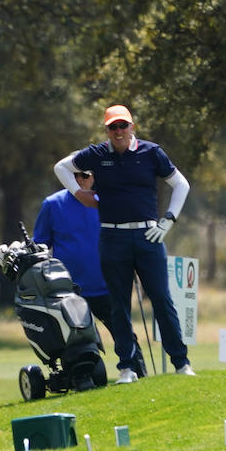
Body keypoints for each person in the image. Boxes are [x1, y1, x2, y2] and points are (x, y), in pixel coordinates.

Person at [53, 104, 194, 383]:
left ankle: (181, 362)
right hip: (112, 236)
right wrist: (79, 192)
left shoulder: (151, 152)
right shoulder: (96, 154)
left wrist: (168, 220)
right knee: (119, 304)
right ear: (107, 129)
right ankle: (127, 367)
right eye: (113, 127)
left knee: (162, 300)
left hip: (148, 236)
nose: (118, 131)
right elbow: (61, 167)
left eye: (123, 126)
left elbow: (181, 184)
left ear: (132, 127)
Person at [33, 170, 129, 365]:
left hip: (106, 285)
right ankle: (85, 378)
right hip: (69, 291)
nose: (78, 180)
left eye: (84, 175)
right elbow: (40, 245)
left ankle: (136, 372)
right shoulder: (52, 204)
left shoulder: (107, 201)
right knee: (76, 344)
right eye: (73, 175)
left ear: (94, 177)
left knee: (124, 334)